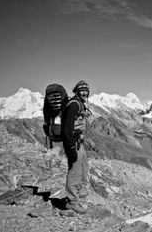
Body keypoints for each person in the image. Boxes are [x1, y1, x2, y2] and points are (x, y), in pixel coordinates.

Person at [62, 80, 91, 214]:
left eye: (86, 90)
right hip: (73, 143)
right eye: (82, 90)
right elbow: (67, 128)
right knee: (75, 172)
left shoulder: (80, 103)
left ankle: (80, 197)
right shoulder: (74, 104)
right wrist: (70, 148)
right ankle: (72, 202)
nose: (85, 93)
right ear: (77, 91)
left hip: (79, 142)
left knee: (84, 169)